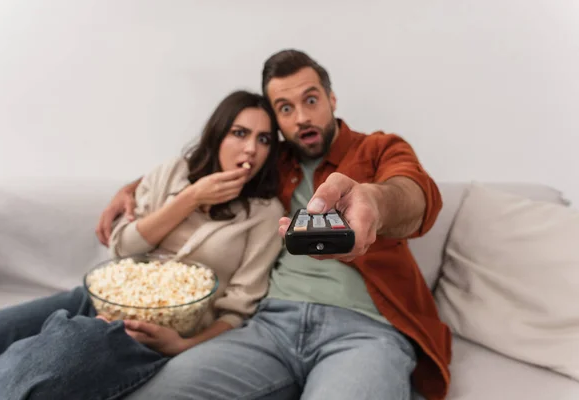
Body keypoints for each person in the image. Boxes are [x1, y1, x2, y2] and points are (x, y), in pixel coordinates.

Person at [98, 50, 452, 400]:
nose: (301, 117)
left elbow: (417, 196)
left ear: (331, 99)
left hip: (365, 331)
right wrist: (130, 188)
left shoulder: (379, 148)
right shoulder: (271, 162)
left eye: (311, 100)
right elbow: (203, 165)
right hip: (268, 326)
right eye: (285, 109)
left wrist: (375, 202)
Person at [0, 90, 285, 400]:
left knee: (62, 351)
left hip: (153, 331)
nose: (250, 149)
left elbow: (238, 310)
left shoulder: (265, 214)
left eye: (264, 140)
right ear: (218, 134)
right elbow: (122, 248)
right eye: (239, 133)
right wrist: (191, 198)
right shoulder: (174, 172)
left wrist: (181, 345)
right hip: (96, 298)